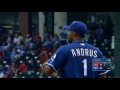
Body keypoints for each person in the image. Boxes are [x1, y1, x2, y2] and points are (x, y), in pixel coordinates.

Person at [42, 21, 110, 78]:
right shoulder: (98, 52)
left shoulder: (64, 50)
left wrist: (45, 64)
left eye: (69, 31)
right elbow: (103, 76)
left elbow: (48, 71)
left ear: (74, 34)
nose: (68, 33)